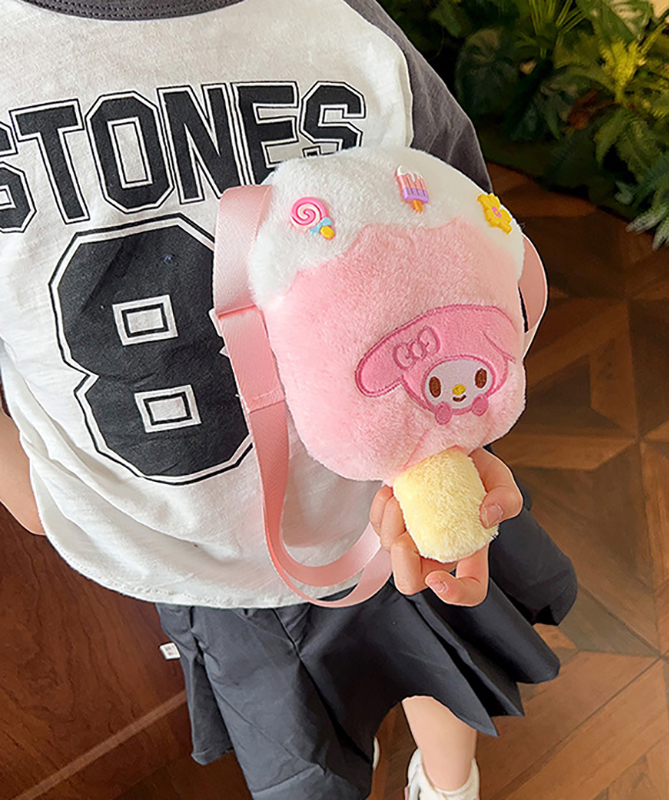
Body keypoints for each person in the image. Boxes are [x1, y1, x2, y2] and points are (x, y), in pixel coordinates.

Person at [0, 1, 577, 798]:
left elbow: (462, 241)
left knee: (435, 660)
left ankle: (448, 783)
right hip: (193, 551)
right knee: (305, 755)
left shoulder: (346, 30)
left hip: (382, 499)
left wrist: (446, 436)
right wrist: (24, 480)